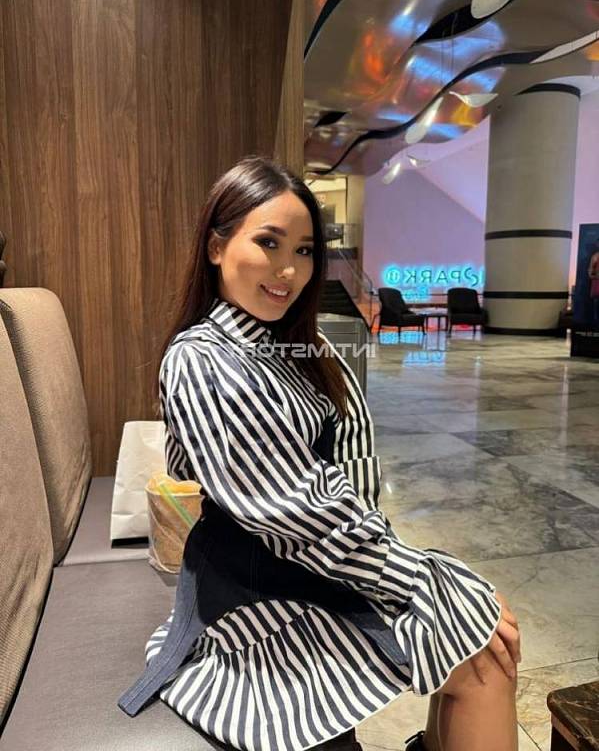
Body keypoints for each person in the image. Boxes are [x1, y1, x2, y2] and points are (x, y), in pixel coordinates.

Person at [119, 156, 521, 751]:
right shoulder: (200, 359)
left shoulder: (297, 348)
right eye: (269, 242)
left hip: (316, 567)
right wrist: (419, 577)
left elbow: (350, 477)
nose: (288, 269)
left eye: (304, 250)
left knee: (478, 645)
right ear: (215, 247)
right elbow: (293, 510)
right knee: (482, 658)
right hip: (254, 594)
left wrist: (405, 569)